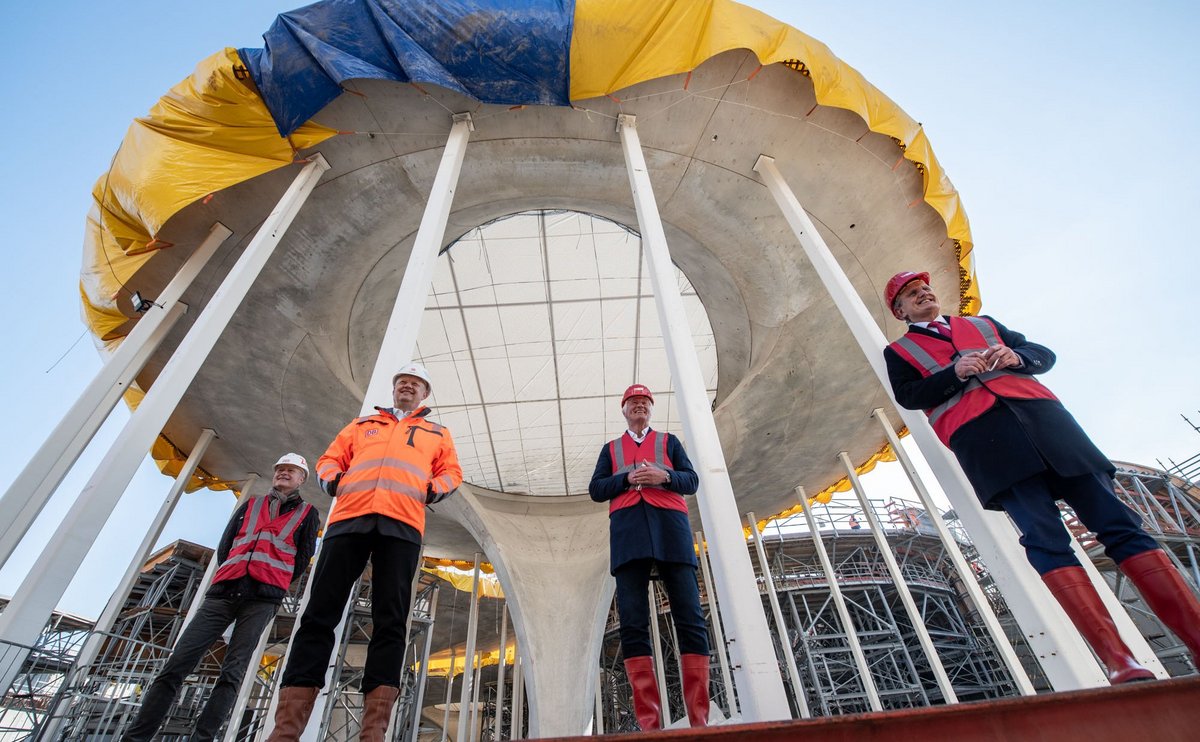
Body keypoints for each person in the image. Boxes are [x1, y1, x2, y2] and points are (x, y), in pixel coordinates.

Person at [883, 270, 1200, 683]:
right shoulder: (900, 351)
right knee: (1045, 539)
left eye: (924, 287)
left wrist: (1018, 358)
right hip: (987, 442)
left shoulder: (984, 324)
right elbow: (909, 397)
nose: (923, 292)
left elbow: (1041, 354)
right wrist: (953, 373)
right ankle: (1120, 661)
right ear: (900, 310)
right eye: (911, 293)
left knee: (1122, 527)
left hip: (1049, 426)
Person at [268, 362, 462, 741]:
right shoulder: (361, 426)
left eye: (415, 384)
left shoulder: (437, 432)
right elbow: (329, 459)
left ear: (425, 394)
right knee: (319, 614)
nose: (407, 387)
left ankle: (373, 732)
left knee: (390, 620)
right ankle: (286, 731)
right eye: (402, 382)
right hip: (349, 520)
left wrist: (430, 490)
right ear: (394, 390)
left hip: (402, 525)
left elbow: (452, 472)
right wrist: (333, 482)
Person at [122, 454, 318, 742]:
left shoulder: (307, 514)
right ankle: (137, 737)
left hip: (262, 599)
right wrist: (240, 571)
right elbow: (226, 547)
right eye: (280, 469)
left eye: (291, 471)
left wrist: (272, 581)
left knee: (232, 673)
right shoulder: (250, 506)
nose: (284, 474)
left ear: (302, 478)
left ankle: (203, 738)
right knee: (177, 665)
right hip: (224, 592)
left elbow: (302, 558)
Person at [589, 384, 710, 730]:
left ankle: (699, 719)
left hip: (671, 530)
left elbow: (691, 480)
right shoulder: (610, 449)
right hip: (628, 535)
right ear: (624, 409)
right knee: (632, 622)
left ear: (651, 408)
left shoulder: (669, 442)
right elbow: (596, 489)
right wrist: (626, 478)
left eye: (644, 402)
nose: (639, 406)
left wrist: (665, 476)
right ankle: (649, 723)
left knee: (689, 616)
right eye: (633, 402)